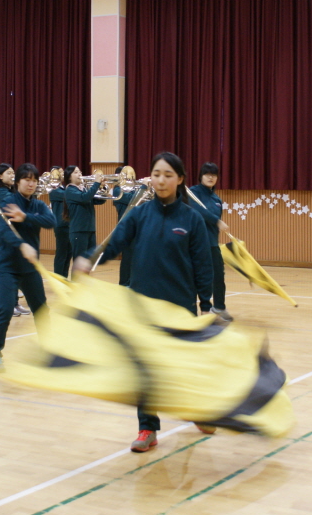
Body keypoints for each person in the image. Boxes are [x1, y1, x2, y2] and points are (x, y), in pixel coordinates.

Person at [74, 152, 213, 453]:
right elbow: (115, 243)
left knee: (183, 366)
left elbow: (203, 264)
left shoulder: (192, 219)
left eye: (168, 175)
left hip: (179, 307)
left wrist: (206, 304)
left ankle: (196, 409)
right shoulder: (139, 215)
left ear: (180, 179)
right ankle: (147, 428)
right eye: (157, 174)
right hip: (142, 307)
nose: (161, 180)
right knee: (145, 369)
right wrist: (90, 259)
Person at [0, 163, 56, 372]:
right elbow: (4, 231)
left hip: (29, 268)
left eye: (34, 180)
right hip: (6, 267)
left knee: (41, 310)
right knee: (5, 310)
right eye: (27, 179)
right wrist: (22, 245)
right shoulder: (8, 202)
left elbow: (51, 221)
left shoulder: (38, 205)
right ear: (18, 182)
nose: (31, 184)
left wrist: (26, 217)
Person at [189, 162, 232, 321]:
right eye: (207, 174)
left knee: (218, 277)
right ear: (201, 176)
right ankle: (190, 311)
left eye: (213, 175)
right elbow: (197, 210)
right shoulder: (192, 193)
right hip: (195, 244)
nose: (210, 177)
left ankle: (219, 307)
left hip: (212, 244)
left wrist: (216, 223)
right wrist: (217, 221)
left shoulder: (217, 199)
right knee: (194, 278)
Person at [0, 163, 29, 317]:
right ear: (0, 176)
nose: (12, 175)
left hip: (17, 233)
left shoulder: (11, 190)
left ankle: (15, 303)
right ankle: (8, 305)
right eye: (9, 173)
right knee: (8, 271)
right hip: (7, 234)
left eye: (13, 173)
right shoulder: (0, 192)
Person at [64, 166, 105, 272]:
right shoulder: (70, 190)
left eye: (80, 172)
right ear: (69, 177)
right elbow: (85, 198)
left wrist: (103, 188)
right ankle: (75, 283)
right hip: (79, 230)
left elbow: (100, 201)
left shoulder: (84, 189)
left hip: (90, 229)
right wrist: (96, 183)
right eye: (76, 172)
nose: (79, 174)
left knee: (88, 263)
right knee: (79, 263)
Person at [111, 165, 136, 287]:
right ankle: (124, 283)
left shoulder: (131, 189)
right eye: (125, 176)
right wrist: (143, 188)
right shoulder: (117, 190)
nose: (128, 178)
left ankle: (133, 283)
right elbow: (133, 200)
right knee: (127, 257)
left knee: (135, 257)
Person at [49, 166, 74, 278]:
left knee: (68, 254)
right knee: (61, 253)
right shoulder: (53, 190)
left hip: (69, 224)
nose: (62, 174)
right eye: (59, 173)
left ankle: (64, 278)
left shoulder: (64, 188)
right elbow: (69, 196)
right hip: (61, 225)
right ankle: (58, 278)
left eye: (62, 172)